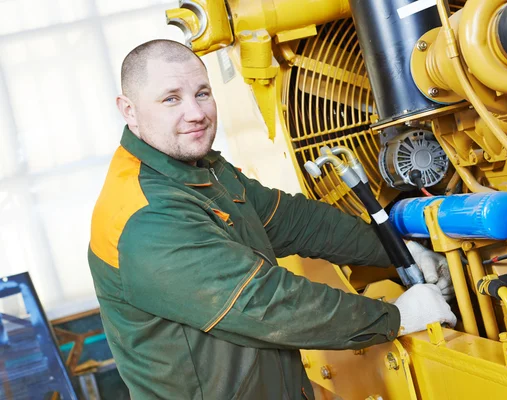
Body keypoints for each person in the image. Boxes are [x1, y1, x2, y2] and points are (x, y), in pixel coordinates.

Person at [88, 39, 456, 400]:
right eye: (171, 99)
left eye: (202, 93)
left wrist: (401, 251)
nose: (196, 113)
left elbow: (298, 221)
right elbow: (265, 304)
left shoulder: (203, 170)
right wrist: (395, 317)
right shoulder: (145, 216)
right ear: (129, 110)